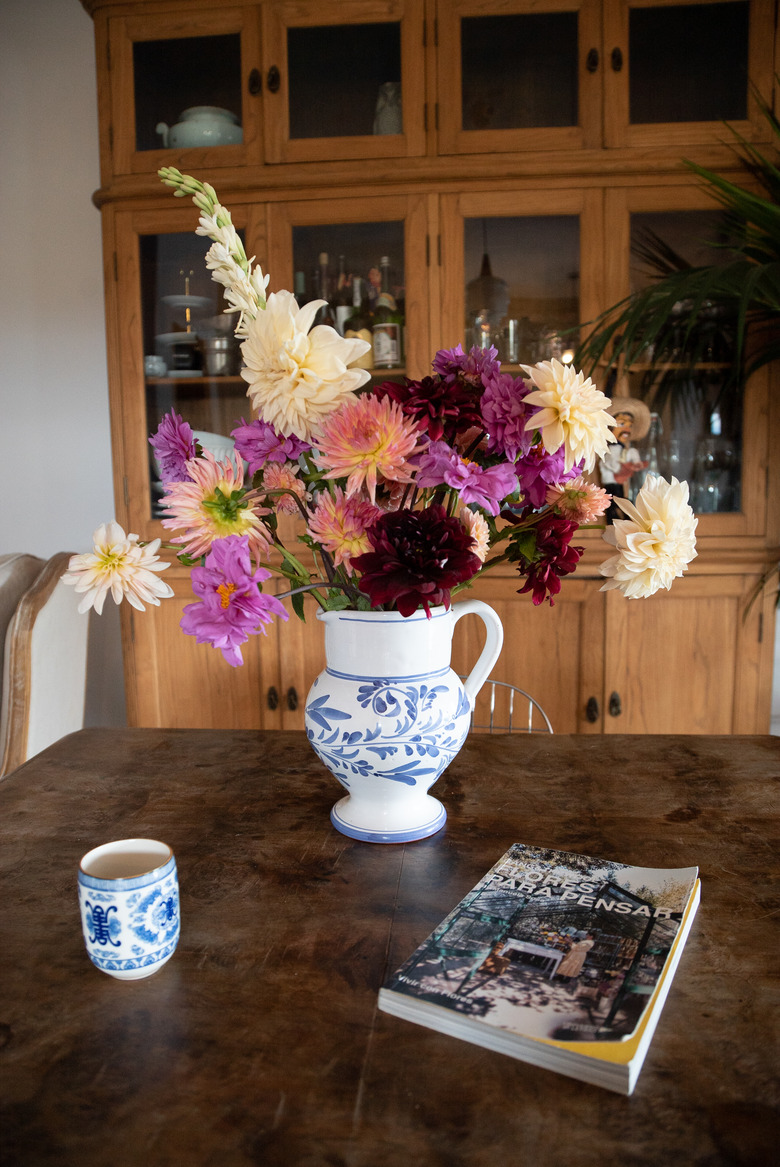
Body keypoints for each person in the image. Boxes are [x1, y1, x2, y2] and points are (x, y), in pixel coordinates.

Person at [599, 397, 651, 521]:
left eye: (629, 425)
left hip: (619, 481)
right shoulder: (610, 451)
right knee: (618, 501)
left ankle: (620, 519)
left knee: (619, 500)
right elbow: (610, 464)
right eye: (622, 424)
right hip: (611, 481)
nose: (626, 429)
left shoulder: (626, 451)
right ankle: (621, 519)